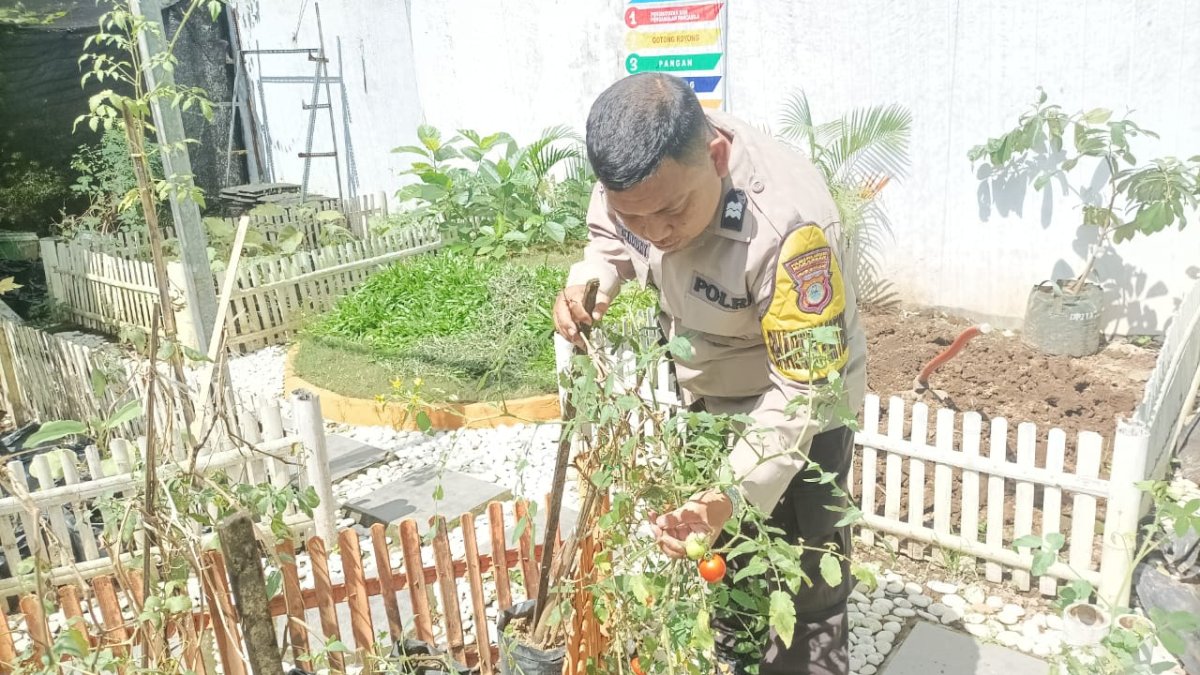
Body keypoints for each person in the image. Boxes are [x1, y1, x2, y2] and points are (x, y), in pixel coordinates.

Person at [552, 72, 867, 674]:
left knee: (805, 580)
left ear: (717, 157)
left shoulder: (789, 229)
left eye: (670, 212)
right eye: (635, 215)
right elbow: (609, 237)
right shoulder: (637, 176)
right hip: (708, 393)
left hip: (800, 410)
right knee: (722, 561)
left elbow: (804, 391)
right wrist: (593, 279)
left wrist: (733, 492)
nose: (655, 233)